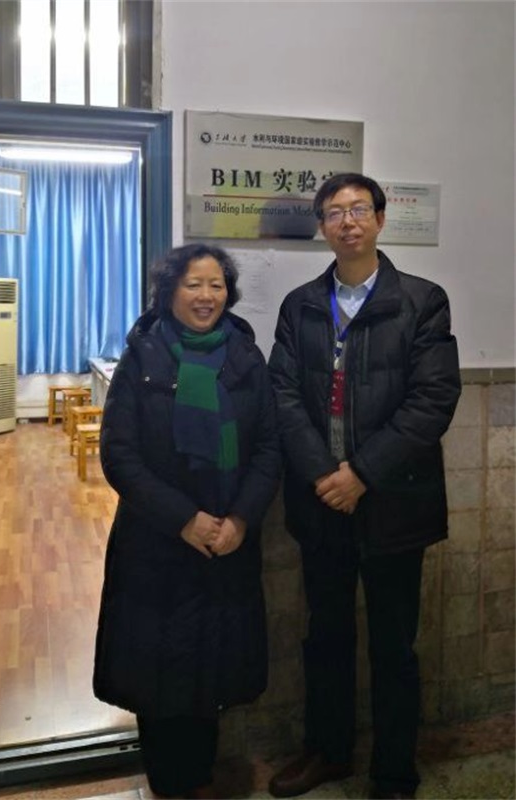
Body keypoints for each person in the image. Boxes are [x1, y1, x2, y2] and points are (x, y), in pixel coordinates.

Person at [267, 173, 461, 800]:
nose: (347, 221)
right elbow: (282, 396)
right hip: (321, 503)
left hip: (394, 506)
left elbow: (433, 400)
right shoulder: (300, 304)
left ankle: (394, 772)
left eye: (358, 210)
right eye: (334, 212)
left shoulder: (422, 301)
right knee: (325, 636)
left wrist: (361, 474)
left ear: (380, 219)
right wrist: (325, 476)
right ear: (322, 227)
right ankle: (328, 753)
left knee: (394, 646)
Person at [93, 243, 281, 799]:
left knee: (211, 664)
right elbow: (119, 455)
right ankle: (167, 781)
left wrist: (240, 519)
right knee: (157, 667)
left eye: (216, 285)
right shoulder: (142, 356)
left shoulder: (246, 357)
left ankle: (199, 776)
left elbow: (269, 447)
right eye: (193, 284)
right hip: (157, 541)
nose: (206, 296)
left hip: (226, 540)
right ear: (169, 290)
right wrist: (183, 520)